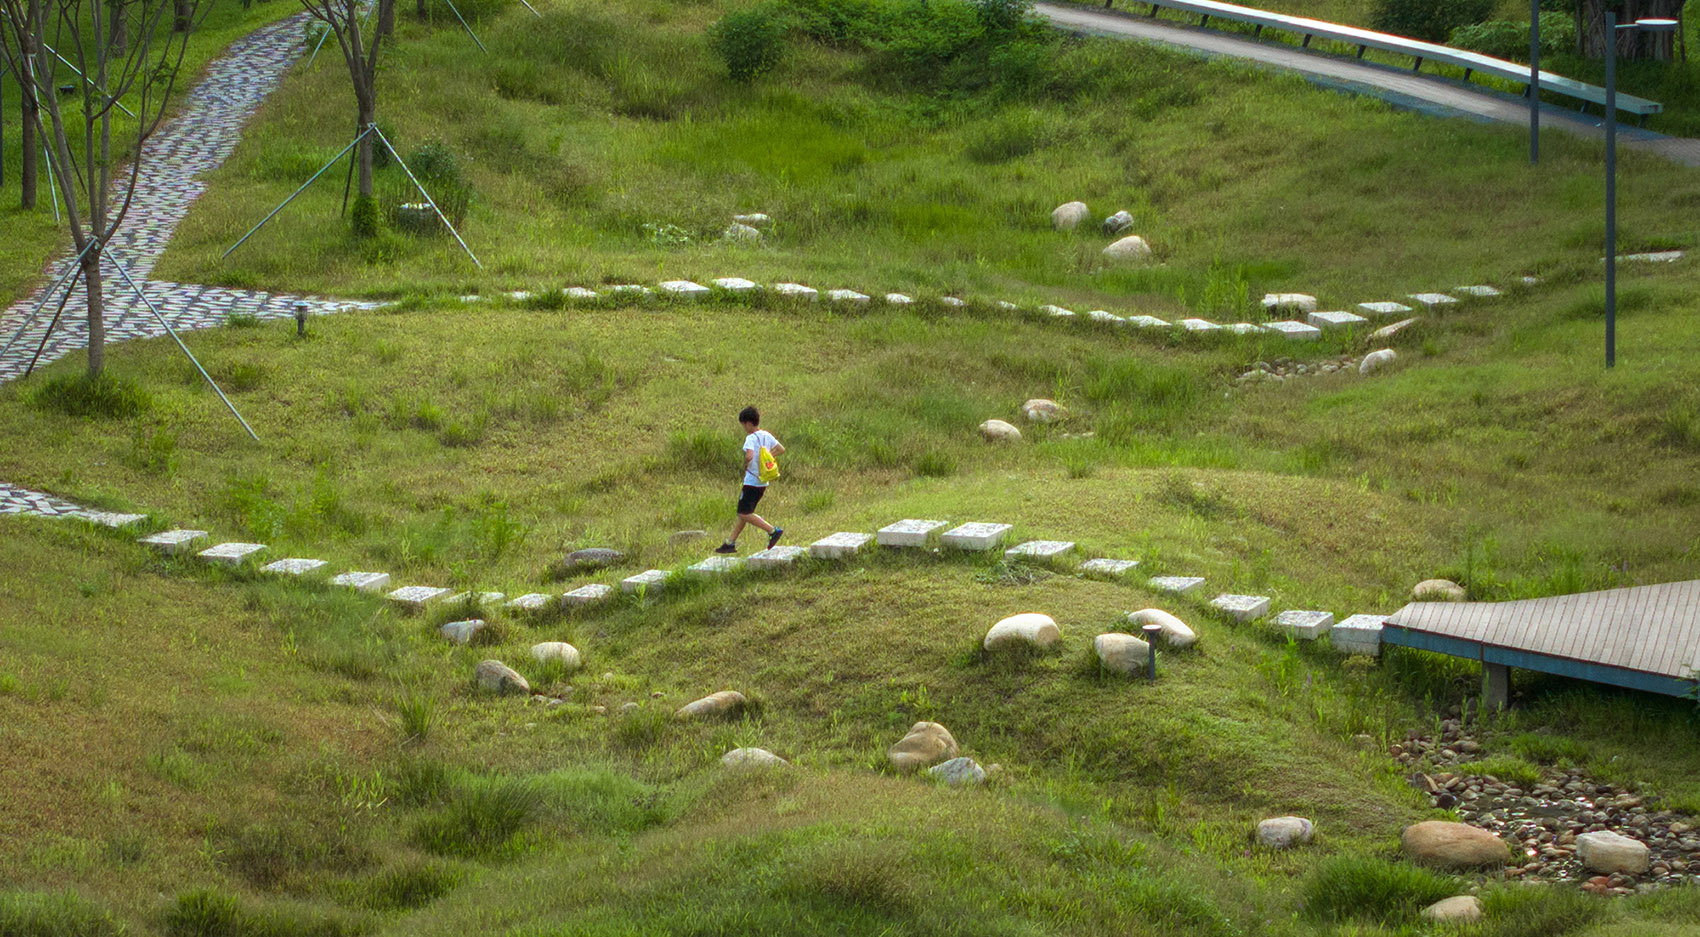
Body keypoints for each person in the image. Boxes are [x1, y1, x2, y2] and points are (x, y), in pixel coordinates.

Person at [715, 406, 784, 554]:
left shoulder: (750, 438)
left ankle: (773, 531)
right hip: (763, 480)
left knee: (743, 513)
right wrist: (768, 457)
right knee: (745, 512)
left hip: (752, 481)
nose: (744, 428)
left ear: (747, 423)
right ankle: (730, 543)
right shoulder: (766, 435)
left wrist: (745, 465)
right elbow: (781, 449)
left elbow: (749, 455)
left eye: (743, 425)